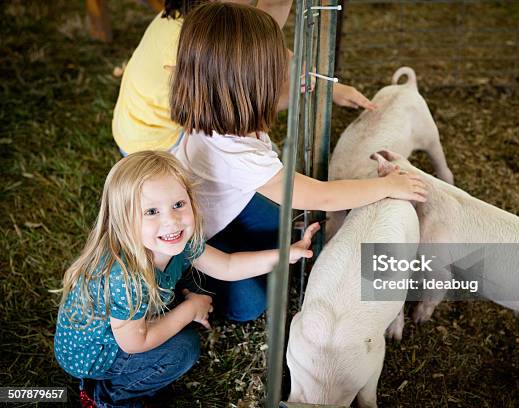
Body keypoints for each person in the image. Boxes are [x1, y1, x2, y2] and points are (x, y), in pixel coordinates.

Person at [168, 2, 428, 322]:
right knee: (250, 304)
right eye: (279, 63)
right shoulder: (237, 154)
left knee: (278, 222)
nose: (290, 61)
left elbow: (271, 99)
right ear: (250, 86)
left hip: (213, 212)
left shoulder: (211, 106)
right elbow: (323, 196)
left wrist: (321, 88)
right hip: (189, 242)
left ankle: (229, 257)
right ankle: (189, 290)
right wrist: (387, 185)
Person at [54, 151, 318, 407]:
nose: (172, 220)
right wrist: (191, 308)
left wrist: (287, 254)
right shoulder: (125, 278)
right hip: (97, 354)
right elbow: (135, 343)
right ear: (124, 220)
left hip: (129, 326)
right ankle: (107, 396)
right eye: (151, 212)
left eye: (178, 205)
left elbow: (227, 265)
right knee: (183, 349)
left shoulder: (179, 241)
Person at [112, 0, 374, 155]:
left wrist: (325, 86)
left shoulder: (199, 19)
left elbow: (264, 44)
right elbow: (231, 115)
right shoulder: (189, 43)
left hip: (155, 122)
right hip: (157, 145)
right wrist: (297, 92)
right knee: (244, 124)